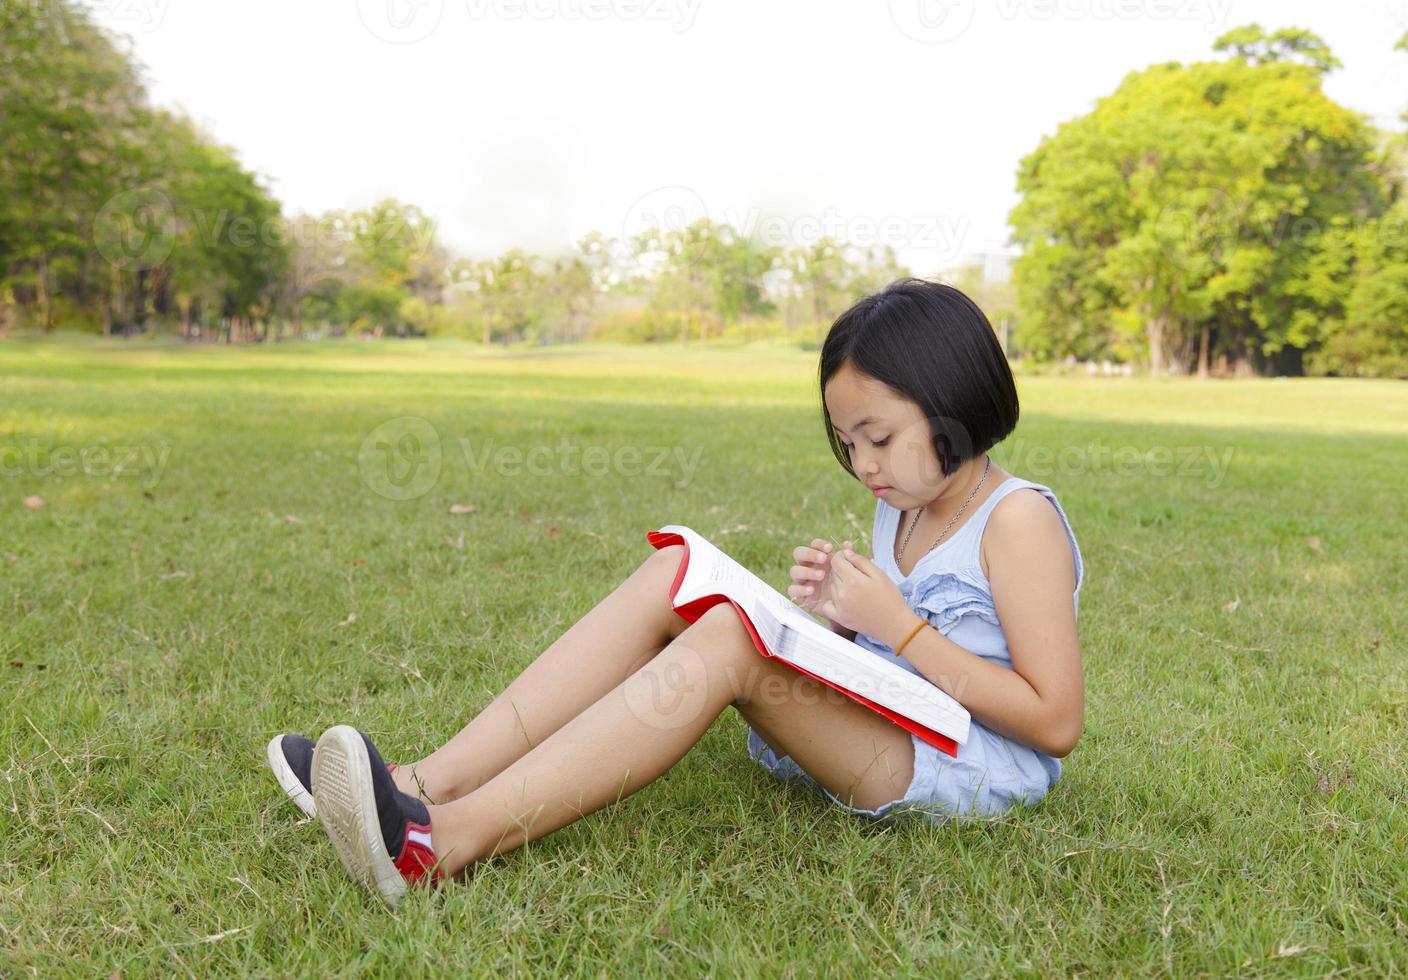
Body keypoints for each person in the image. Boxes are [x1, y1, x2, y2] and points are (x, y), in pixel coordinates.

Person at [265, 277, 1085, 907]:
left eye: (879, 438)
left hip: (969, 767)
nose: (864, 465)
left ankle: (440, 844)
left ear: (956, 406)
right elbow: (896, 661)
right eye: (846, 443)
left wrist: (898, 629)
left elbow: (1054, 723)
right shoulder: (902, 506)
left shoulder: (1016, 523)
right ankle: (423, 782)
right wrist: (845, 626)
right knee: (677, 576)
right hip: (898, 723)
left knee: (730, 639)